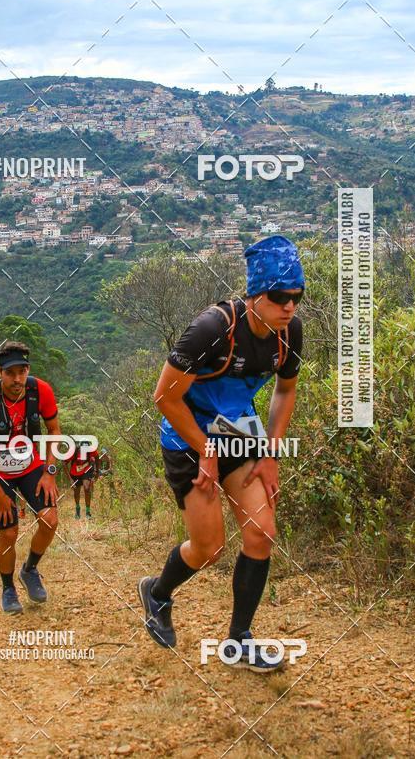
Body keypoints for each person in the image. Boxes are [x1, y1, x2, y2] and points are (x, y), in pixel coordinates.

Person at [139, 236, 305, 673]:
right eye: (279, 296)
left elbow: (285, 390)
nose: (289, 306)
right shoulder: (213, 330)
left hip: (238, 432)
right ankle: (157, 593)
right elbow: (165, 397)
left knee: (261, 532)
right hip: (188, 435)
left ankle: (239, 640)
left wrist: (270, 454)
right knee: (209, 547)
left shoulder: (289, 334)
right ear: (255, 295)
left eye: (297, 296)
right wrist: (205, 449)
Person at [0, 340, 61, 614]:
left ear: (28, 370)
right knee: (9, 532)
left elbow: (54, 430)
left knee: (50, 520)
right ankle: (8, 588)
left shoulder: (40, 391)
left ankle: (30, 569)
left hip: (30, 463)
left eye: (22, 371)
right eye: (10, 373)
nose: (17, 379)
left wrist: (50, 472)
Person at [64, 439, 100, 519]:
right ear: (79, 448)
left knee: (87, 488)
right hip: (75, 473)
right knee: (77, 492)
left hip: (86, 471)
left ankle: (88, 512)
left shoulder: (92, 450)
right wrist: (70, 479)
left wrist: (97, 471)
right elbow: (64, 463)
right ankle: (77, 509)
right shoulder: (73, 452)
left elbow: (97, 458)